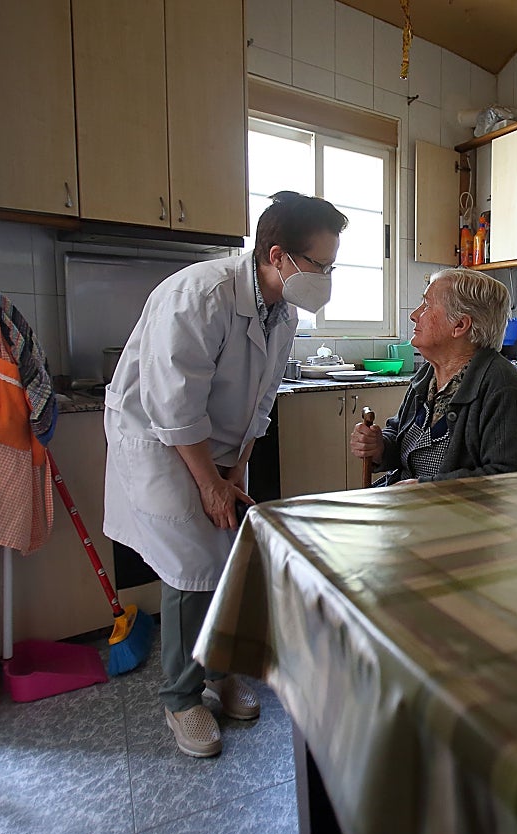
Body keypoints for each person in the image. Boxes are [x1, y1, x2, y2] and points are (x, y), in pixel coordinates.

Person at [103, 191, 348, 758]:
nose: (326, 278)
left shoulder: (280, 310)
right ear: (279, 255)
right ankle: (181, 697)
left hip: (218, 442)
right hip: (162, 440)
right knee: (191, 567)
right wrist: (208, 483)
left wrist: (233, 473)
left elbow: (262, 401)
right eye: (321, 264)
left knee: (231, 553)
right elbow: (173, 406)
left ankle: (218, 672)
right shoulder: (201, 295)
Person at [350, 268, 517, 484]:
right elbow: (400, 438)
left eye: (427, 305)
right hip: (410, 507)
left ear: (459, 325)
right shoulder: (428, 374)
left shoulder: (503, 387)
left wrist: (427, 489)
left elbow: (512, 478)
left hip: (457, 515)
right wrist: (380, 447)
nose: (414, 315)